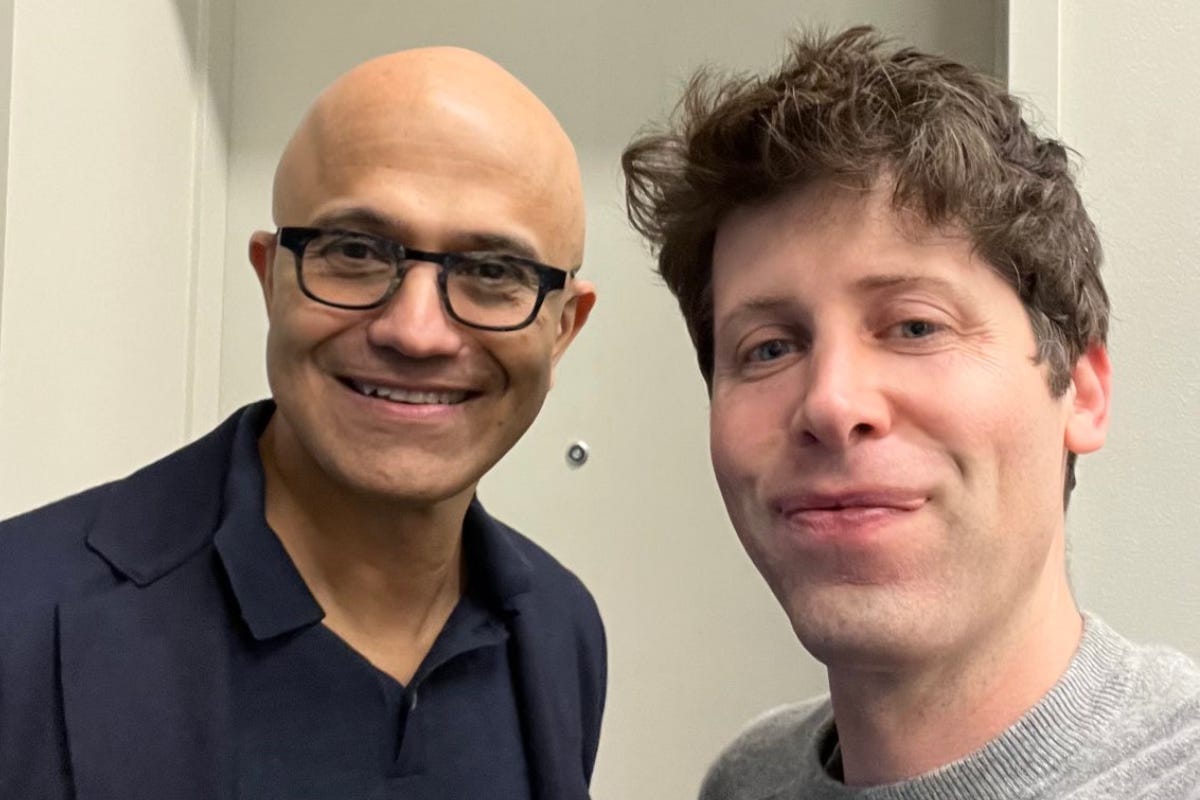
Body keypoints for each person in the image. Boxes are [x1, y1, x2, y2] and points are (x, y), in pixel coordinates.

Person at [0, 47, 602, 800]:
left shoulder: (561, 630)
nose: (416, 332)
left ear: (563, 328)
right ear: (270, 279)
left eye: (493, 272)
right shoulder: (18, 615)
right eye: (355, 251)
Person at [623, 26, 1200, 799]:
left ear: (1083, 391)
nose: (831, 403)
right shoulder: (746, 781)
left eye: (917, 327)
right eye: (769, 348)